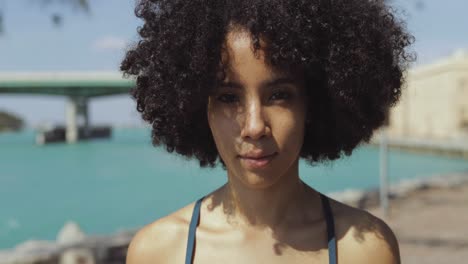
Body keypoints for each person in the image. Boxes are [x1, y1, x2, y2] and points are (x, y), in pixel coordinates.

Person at [121, 0, 413, 263]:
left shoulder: (366, 250)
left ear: (311, 104)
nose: (254, 127)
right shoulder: (156, 252)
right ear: (200, 107)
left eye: (278, 96)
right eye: (228, 97)